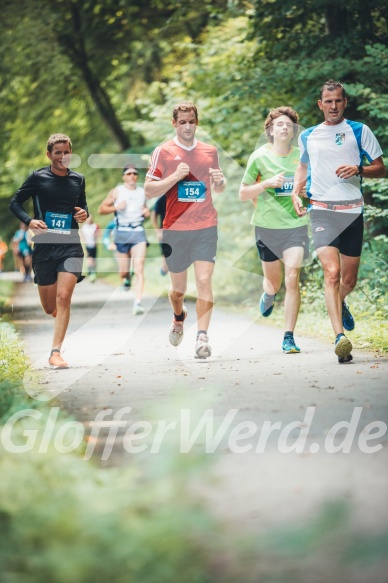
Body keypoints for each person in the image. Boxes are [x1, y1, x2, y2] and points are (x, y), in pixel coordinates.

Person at [292, 80, 385, 363]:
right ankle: (339, 337)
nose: (333, 106)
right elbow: (302, 166)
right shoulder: (308, 136)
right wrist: (296, 193)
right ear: (320, 105)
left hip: (352, 212)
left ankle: (340, 300)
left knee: (348, 279)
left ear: (345, 102)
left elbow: (382, 169)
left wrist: (358, 169)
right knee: (331, 273)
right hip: (321, 211)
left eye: (338, 101)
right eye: (328, 101)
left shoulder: (359, 131)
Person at [145, 101, 226, 359]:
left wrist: (220, 182)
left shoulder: (209, 151)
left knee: (204, 280)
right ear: (174, 124)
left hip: (205, 224)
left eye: (191, 121)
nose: (188, 126)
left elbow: (219, 187)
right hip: (175, 228)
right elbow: (149, 190)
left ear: (197, 121)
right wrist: (174, 178)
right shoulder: (163, 152)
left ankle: (202, 337)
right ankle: (179, 317)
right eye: (182, 122)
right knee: (178, 290)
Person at [9, 133, 88, 369]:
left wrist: (84, 214)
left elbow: (82, 207)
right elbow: (14, 202)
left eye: (67, 152)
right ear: (49, 154)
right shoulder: (38, 177)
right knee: (50, 307)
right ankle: (58, 316)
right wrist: (30, 221)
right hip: (44, 247)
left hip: (71, 245)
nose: (63, 157)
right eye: (58, 153)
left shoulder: (79, 179)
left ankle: (55, 352)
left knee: (64, 297)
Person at [239, 106, 309, 354]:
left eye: (289, 125)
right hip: (267, 227)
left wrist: (303, 193)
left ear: (293, 132)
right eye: (279, 124)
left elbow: (310, 189)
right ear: (270, 130)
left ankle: (288, 336)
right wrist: (267, 183)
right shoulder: (259, 157)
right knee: (274, 282)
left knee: (292, 279)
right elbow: (243, 193)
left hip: (295, 227)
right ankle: (268, 295)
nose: (284, 127)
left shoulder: (302, 158)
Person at [98, 164, 150, 315]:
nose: (132, 176)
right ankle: (126, 278)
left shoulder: (142, 192)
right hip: (121, 232)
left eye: (134, 173)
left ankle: (138, 302)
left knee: (139, 266)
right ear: (123, 177)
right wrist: (116, 207)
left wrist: (146, 212)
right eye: (128, 174)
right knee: (123, 271)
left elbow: (144, 210)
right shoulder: (117, 191)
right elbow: (101, 209)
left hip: (138, 231)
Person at [150, 194, 169, 276]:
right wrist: (157, 231)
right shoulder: (162, 198)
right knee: (166, 258)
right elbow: (153, 215)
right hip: (165, 231)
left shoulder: (182, 195)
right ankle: (164, 270)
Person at [81, 214, 100, 282]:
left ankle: (93, 271)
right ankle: (90, 272)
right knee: (90, 258)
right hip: (88, 245)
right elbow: (82, 235)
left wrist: (96, 238)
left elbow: (98, 234)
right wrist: (84, 241)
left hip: (94, 245)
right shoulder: (84, 227)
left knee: (93, 259)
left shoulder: (95, 226)